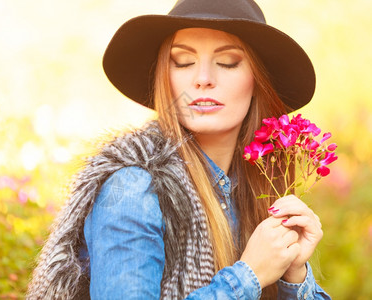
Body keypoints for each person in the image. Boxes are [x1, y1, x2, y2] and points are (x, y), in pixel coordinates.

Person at [27, 0, 332, 299]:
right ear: (165, 76)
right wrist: (247, 276)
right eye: (183, 62)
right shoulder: (135, 188)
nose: (202, 80)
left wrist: (295, 276)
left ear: (257, 80)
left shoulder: (254, 190)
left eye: (227, 62)